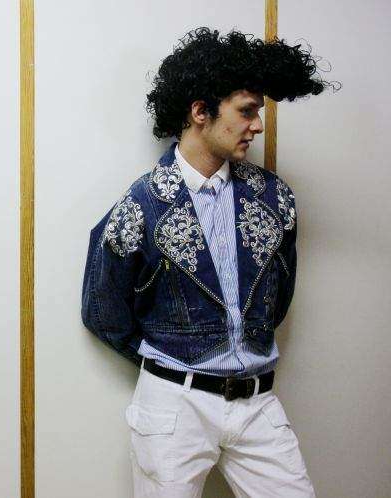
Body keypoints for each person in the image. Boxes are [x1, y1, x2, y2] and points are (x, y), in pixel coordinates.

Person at [82, 28, 333, 497]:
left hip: (257, 403)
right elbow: (102, 311)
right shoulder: (142, 204)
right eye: (247, 111)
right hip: (173, 406)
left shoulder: (274, 198)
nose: (257, 125)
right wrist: (172, 357)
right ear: (201, 112)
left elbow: (277, 298)